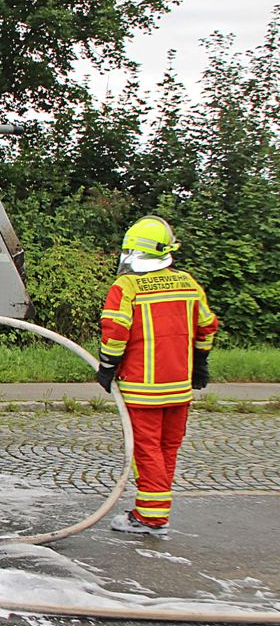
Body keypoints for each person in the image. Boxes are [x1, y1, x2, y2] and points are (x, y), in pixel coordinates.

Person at [96, 216, 219, 535]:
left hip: (142, 390)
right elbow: (207, 325)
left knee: (146, 450)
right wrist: (200, 362)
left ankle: (151, 517)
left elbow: (115, 332)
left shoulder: (127, 286)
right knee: (167, 448)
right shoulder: (188, 283)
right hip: (179, 389)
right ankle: (155, 510)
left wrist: (107, 367)